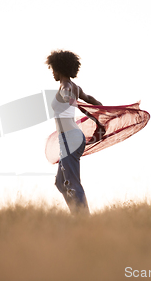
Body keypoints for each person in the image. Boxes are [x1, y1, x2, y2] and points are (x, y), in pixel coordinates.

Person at [45, 50, 102, 215]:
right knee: (61, 182)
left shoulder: (67, 87)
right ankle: (78, 215)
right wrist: (101, 109)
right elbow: (90, 99)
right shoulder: (75, 87)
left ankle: (83, 219)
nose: (52, 73)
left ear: (59, 68)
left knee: (71, 181)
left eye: (53, 69)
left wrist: (70, 100)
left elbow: (68, 95)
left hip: (70, 138)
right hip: (70, 138)